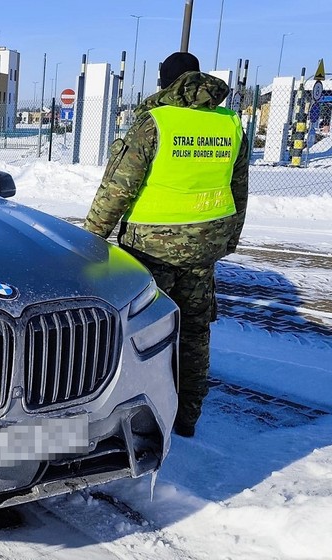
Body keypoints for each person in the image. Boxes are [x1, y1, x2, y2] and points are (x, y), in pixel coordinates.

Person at [84, 51, 249, 438]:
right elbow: (238, 188)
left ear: (167, 81)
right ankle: (188, 416)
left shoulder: (155, 121)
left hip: (151, 247)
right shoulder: (229, 123)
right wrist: (229, 239)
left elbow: (118, 188)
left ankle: (141, 419)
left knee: (145, 334)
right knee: (194, 331)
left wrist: (90, 241)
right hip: (204, 247)